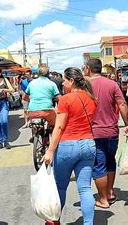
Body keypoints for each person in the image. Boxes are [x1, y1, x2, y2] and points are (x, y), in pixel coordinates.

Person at [43, 67, 97, 225]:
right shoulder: (92, 98)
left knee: (60, 186)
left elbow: (59, 127)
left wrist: (50, 151)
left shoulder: (65, 99)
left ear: (72, 81)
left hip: (68, 145)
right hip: (88, 144)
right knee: (85, 188)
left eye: (65, 80)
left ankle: (54, 220)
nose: (63, 83)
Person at [84, 59, 128, 209]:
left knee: (99, 165)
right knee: (110, 161)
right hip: (112, 131)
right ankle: (110, 193)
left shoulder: (85, 86)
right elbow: (122, 104)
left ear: (88, 69)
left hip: (94, 132)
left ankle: (103, 199)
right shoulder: (112, 84)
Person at [24, 66, 60, 142]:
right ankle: (52, 139)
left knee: (34, 124)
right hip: (48, 111)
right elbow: (59, 98)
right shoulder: (51, 84)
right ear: (48, 74)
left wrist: (30, 100)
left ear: (38, 74)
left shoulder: (32, 83)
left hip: (32, 112)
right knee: (54, 124)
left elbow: (25, 97)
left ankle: (34, 134)